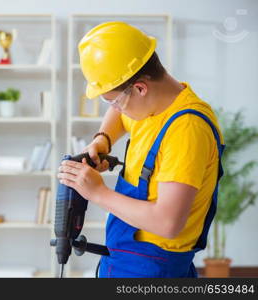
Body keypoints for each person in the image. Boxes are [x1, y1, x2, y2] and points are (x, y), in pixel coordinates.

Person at [57, 21, 225, 278]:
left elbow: (167, 223)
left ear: (139, 88)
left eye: (114, 100)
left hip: (153, 272)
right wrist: (102, 139)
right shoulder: (153, 105)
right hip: (122, 261)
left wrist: (97, 192)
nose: (116, 108)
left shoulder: (187, 130)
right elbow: (119, 112)